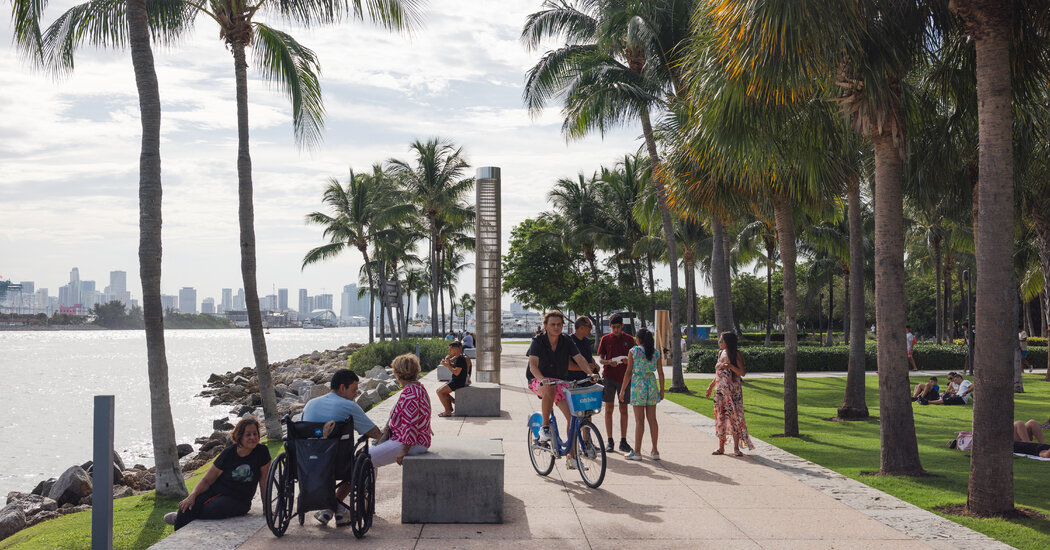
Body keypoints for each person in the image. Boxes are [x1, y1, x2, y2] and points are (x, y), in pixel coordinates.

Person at [301, 369, 381, 525]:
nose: (356, 395)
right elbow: (375, 433)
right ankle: (335, 504)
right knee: (366, 461)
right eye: (354, 390)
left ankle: (330, 508)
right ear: (343, 388)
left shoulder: (310, 404)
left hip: (307, 462)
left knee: (328, 458)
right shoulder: (349, 406)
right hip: (338, 464)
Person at [164, 417, 271, 529]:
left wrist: (266, 508)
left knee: (213, 508)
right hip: (215, 491)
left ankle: (183, 517)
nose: (253, 437)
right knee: (188, 506)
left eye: (255, 434)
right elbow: (207, 480)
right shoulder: (228, 453)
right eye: (248, 434)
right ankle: (180, 521)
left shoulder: (262, 452)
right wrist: (192, 496)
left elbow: (264, 482)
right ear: (239, 436)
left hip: (240, 500)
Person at [527, 310, 595, 444]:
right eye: (552, 324)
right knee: (549, 387)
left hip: (560, 382)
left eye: (559, 324)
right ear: (545, 325)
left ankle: (571, 456)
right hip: (538, 380)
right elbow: (533, 366)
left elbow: (579, 359)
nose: (556, 327)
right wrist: (542, 379)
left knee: (573, 418)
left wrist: (590, 373)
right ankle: (544, 427)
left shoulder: (566, 340)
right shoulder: (538, 341)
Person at [371, 353, 431, 467]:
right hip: (413, 440)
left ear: (398, 373)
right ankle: (366, 484)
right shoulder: (418, 387)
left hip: (411, 443)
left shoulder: (410, 393)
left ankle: (360, 485)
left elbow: (410, 423)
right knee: (367, 458)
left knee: (365, 458)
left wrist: (404, 450)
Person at [706, 331, 755, 456]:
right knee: (720, 418)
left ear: (727, 342)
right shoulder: (720, 353)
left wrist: (731, 366)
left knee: (735, 418)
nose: (719, 342)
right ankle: (721, 448)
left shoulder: (736, 354)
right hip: (720, 392)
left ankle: (736, 448)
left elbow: (742, 372)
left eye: (721, 340)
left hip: (733, 392)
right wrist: (711, 386)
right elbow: (718, 374)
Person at [619, 328, 665, 460]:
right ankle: (655, 451)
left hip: (638, 385)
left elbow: (628, 372)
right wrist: (662, 390)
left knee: (639, 421)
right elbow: (660, 373)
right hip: (651, 385)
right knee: (652, 419)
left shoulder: (633, 351)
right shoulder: (655, 352)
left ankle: (637, 451)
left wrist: (622, 390)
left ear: (638, 339)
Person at [597, 313, 635, 453]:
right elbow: (600, 359)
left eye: (618, 327)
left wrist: (628, 361)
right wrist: (608, 362)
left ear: (622, 326)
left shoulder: (630, 340)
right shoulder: (605, 339)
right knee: (609, 408)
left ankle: (623, 441)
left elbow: (635, 358)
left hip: (625, 378)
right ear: (610, 326)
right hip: (609, 376)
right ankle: (610, 440)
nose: (616, 330)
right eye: (613, 327)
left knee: (623, 409)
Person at [435, 341, 469, 417]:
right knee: (439, 391)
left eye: (450, 350)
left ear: (455, 349)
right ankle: (449, 409)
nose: (449, 351)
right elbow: (456, 367)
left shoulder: (460, 358)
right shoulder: (458, 358)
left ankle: (448, 411)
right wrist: (448, 363)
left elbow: (456, 372)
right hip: (456, 380)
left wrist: (447, 365)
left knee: (440, 392)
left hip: (458, 382)